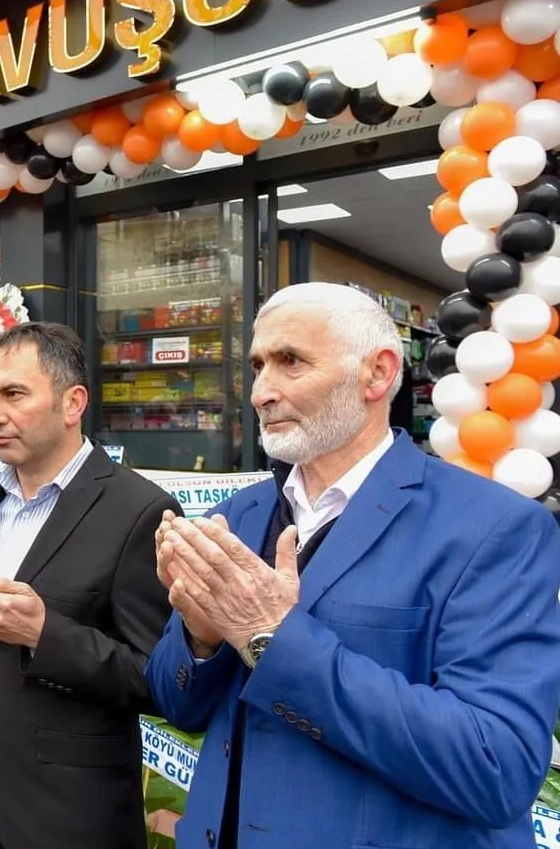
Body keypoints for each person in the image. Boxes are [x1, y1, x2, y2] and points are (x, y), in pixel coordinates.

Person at [146, 282, 560, 849]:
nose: (262, 391)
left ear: (377, 374)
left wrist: (272, 636)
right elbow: (178, 704)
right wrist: (201, 634)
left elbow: (495, 766)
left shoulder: (494, 528)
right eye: (258, 365)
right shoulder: (236, 518)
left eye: (290, 362)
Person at [0, 323, 179, 849]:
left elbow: (159, 677)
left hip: (74, 815)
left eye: (14, 394)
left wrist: (45, 635)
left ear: (73, 404)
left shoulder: (139, 511)